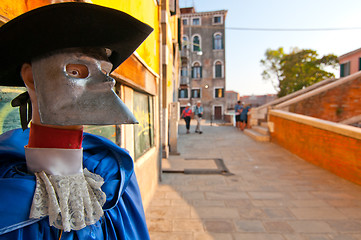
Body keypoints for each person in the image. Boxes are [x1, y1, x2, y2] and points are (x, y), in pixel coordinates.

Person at [0, 2, 153, 239]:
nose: (104, 84)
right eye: (75, 72)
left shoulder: (116, 179)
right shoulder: (7, 197)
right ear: (31, 78)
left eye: (106, 71)